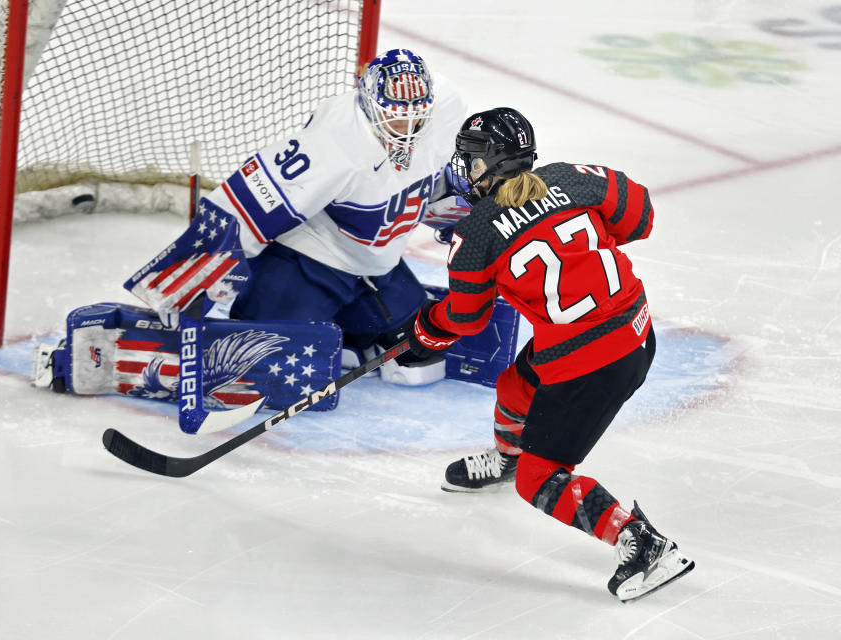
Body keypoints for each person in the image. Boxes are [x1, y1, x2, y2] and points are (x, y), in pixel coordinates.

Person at [399, 107, 694, 601]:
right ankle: (507, 458)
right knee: (516, 386)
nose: (464, 169)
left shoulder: (474, 237)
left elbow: (466, 319)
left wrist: (426, 330)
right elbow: (641, 214)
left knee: (541, 480)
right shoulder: (572, 179)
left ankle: (642, 544)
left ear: (489, 165)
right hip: (634, 330)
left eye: (470, 161)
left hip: (594, 362)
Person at [127, 48, 469, 387]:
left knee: (417, 346)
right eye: (394, 115)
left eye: (417, 114)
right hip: (308, 261)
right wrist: (186, 285)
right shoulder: (333, 145)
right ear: (368, 105)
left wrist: (469, 215)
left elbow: (434, 184)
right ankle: (269, 308)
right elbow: (247, 206)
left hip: (377, 266)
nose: (407, 127)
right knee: (268, 359)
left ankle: (352, 329)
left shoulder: (446, 111)